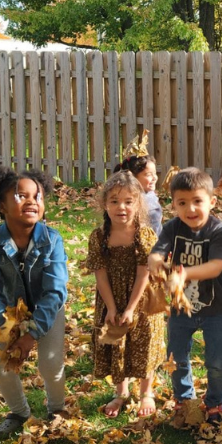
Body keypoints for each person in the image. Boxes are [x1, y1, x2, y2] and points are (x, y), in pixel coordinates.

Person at [0, 166, 68, 439]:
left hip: (47, 309)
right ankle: (19, 413)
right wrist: (4, 325)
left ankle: (57, 409)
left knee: (50, 363)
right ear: (2, 206)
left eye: (37, 196)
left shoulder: (52, 240)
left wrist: (32, 334)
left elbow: (55, 291)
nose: (31, 201)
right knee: (2, 365)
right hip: (9, 312)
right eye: (21, 196)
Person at [148, 168, 222, 425]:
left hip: (215, 309)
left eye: (197, 201)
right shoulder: (172, 228)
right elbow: (157, 252)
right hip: (180, 309)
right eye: (182, 203)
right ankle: (184, 400)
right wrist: (155, 262)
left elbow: (215, 266)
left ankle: (215, 402)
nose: (190, 209)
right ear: (173, 204)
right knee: (176, 358)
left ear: (212, 202)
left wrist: (184, 274)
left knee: (216, 362)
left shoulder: (219, 230)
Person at [85, 172, 165, 419]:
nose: (122, 207)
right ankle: (121, 392)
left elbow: (143, 274)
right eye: (115, 201)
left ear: (138, 204)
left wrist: (131, 308)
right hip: (111, 295)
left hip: (141, 298)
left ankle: (146, 391)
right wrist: (111, 307)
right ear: (105, 204)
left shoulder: (145, 235)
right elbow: (100, 275)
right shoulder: (99, 237)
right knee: (116, 339)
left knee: (144, 341)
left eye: (129, 201)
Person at [115, 131, 162, 236]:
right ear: (133, 177)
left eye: (155, 173)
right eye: (149, 174)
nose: (155, 178)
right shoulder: (137, 202)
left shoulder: (149, 194)